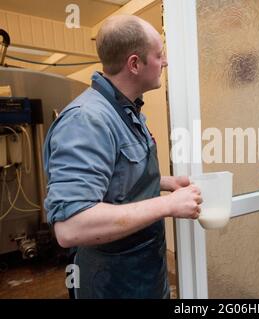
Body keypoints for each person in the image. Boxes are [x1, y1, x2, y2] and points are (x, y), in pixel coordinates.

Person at [43, 15, 202, 299]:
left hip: (144, 276)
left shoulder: (125, 111)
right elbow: (71, 226)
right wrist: (168, 205)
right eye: (159, 54)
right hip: (112, 285)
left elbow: (117, 174)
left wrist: (164, 182)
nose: (165, 62)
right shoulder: (87, 120)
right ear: (134, 64)